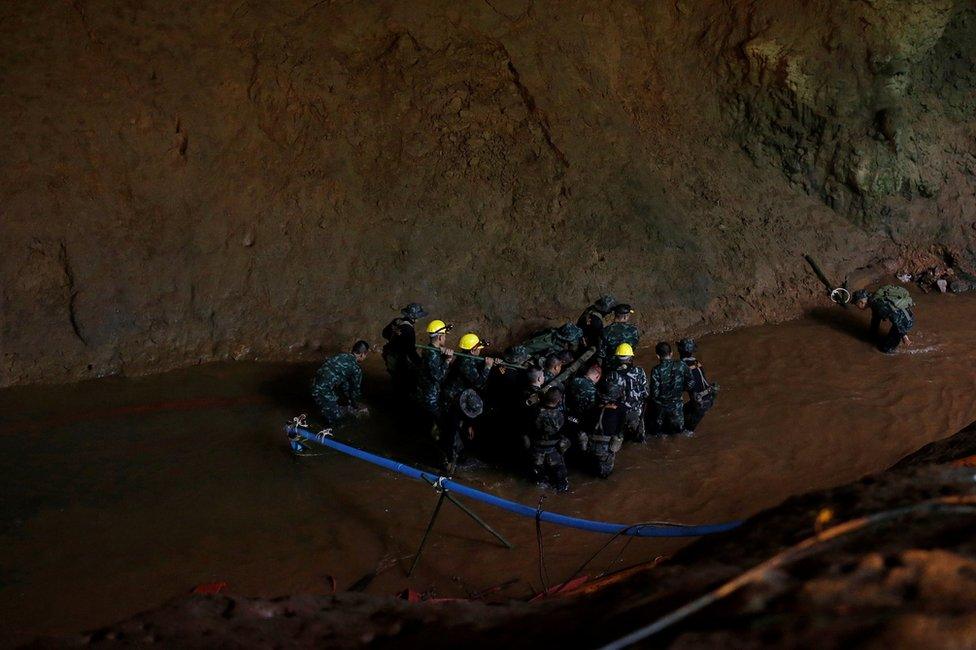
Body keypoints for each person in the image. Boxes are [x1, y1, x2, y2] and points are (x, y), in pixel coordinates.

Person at [311, 340, 370, 426]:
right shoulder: (356, 369)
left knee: (333, 401)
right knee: (338, 422)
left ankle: (327, 408)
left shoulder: (340, 356)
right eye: (365, 355)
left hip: (313, 383)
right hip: (322, 390)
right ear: (362, 354)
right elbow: (355, 391)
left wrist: (347, 398)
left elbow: (345, 385)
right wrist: (355, 405)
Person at [413, 319, 454, 433]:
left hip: (424, 390)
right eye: (444, 336)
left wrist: (441, 353)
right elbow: (439, 377)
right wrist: (447, 360)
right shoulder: (433, 355)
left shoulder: (429, 348)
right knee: (439, 419)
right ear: (440, 337)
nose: (445, 338)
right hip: (429, 396)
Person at [602, 343, 649, 441]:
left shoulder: (612, 375)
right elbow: (646, 392)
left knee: (618, 440)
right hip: (637, 412)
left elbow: (609, 397)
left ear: (617, 357)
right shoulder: (639, 371)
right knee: (639, 440)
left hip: (620, 413)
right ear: (631, 357)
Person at [526, 387, 570, 492]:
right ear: (559, 400)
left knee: (538, 482)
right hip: (555, 451)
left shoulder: (534, 412)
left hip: (536, 451)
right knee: (561, 480)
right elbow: (568, 432)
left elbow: (525, 431)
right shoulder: (561, 415)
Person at [852, 286, 916, 353]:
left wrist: (904, 337)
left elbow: (895, 319)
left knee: (886, 349)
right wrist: (872, 334)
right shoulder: (874, 299)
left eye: (856, 304)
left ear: (861, 302)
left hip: (905, 322)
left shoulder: (878, 304)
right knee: (881, 338)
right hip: (903, 316)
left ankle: (895, 351)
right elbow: (876, 318)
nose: (857, 307)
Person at [440, 332, 496, 409]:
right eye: (479, 349)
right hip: (453, 396)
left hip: (457, 393)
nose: (480, 351)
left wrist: (494, 362)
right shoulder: (465, 363)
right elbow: (478, 383)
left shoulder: (466, 355)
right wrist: (488, 367)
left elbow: (478, 362)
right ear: (473, 350)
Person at [381, 303, 427, 394]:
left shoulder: (397, 321)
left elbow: (384, 333)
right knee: (403, 383)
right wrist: (421, 364)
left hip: (390, 356)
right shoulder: (409, 330)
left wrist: (395, 335)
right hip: (399, 360)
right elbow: (411, 352)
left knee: (395, 379)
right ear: (413, 317)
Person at [582, 381, 625, 478]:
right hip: (607, 447)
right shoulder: (621, 409)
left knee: (590, 471)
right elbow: (621, 428)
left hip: (590, 445)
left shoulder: (592, 408)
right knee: (605, 475)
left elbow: (585, 425)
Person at [649, 341, 693, 435]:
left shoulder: (656, 370)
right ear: (671, 353)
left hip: (661, 408)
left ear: (657, 356)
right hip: (676, 406)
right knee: (679, 433)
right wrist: (681, 389)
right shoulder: (681, 365)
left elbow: (654, 393)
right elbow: (691, 383)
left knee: (659, 434)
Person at [678, 338, 717, 434]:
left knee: (685, 432)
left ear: (680, 350)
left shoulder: (681, 365)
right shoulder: (696, 362)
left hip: (700, 403)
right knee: (683, 412)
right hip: (709, 397)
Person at [439, 389, 483, 468]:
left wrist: (470, 426)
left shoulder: (470, 396)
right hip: (442, 412)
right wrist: (449, 459)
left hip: (455, 411)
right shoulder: (452, 413)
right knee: (446, 437)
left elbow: (468, 415)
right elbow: (450, 437)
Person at [565, 364, 601, 450]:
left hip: (568, 417)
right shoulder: (593, 390)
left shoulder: (573, 381)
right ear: (597, 376)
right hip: (583, 421)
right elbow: (592, 408)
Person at [521, 322, 585, 360]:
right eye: (571, 342)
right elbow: (524, 349)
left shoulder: (559, 337)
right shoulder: (547, 341)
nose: (575, 342)